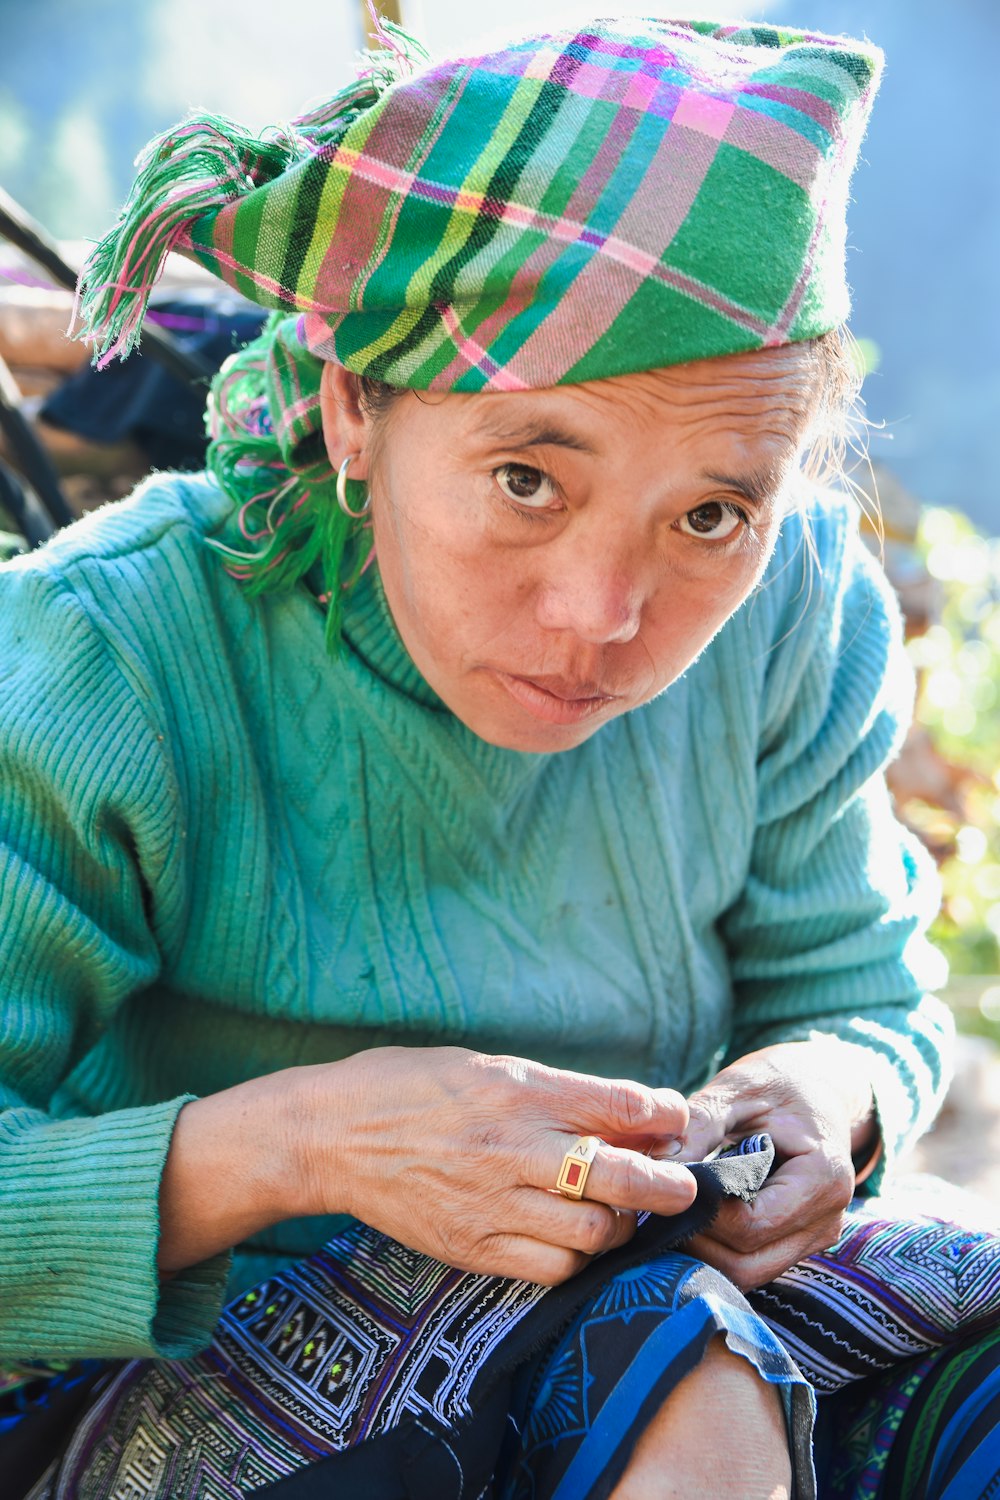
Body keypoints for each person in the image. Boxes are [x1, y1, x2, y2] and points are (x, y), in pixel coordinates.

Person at [1, 13, 997, 1499]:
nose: (604, 617)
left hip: (657, 1299)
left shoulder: (795, 612)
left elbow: (856, 992)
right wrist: (298, 1145)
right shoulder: (116, 660)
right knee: (673, 1375)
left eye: (711, 515)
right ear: (356, 409)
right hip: (191, 1361)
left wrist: (816, 1092)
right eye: (528, 478)